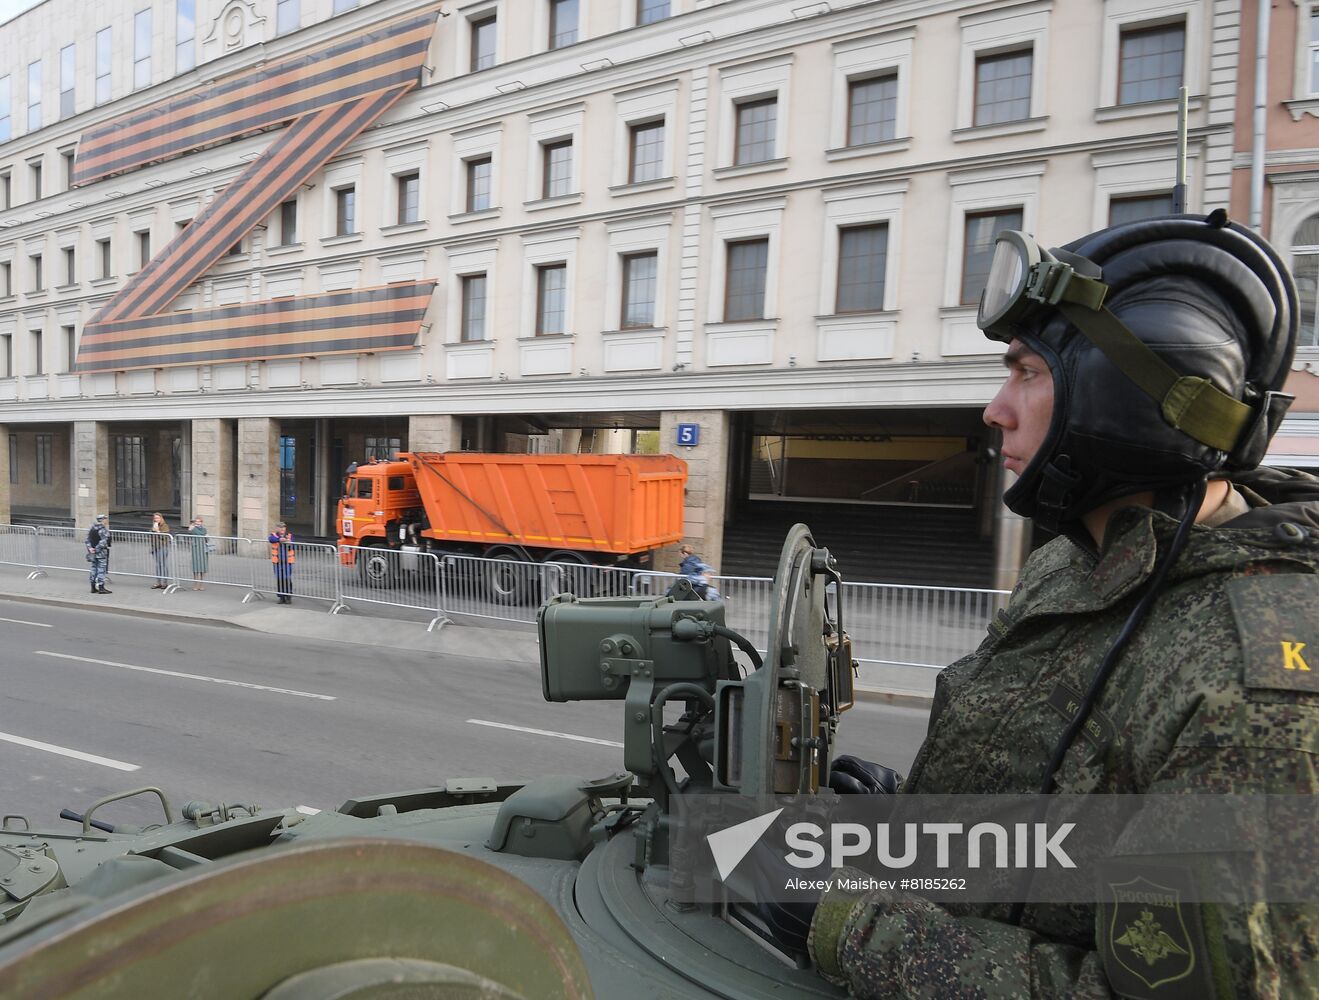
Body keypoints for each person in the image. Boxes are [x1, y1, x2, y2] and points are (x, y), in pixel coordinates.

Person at [780, 214, 1318, 997]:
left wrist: (853, 930)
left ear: (1124, 401)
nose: (994, 410)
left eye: (1027, 373)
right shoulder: (1073, 564)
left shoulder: (1251, 674)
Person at [85, 513, 112, 594]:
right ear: (102, 520)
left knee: (93, 569)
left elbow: (87, 540)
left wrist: (90, 549)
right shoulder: (103, 529)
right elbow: (103, 541)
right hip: (101, 553)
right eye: (105, 519)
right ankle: (101, 587)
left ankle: (93, 587)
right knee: (101, 570)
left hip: (93, 553)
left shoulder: (92, 528)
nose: (106, 520)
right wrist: (96, 549)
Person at [269, 521, 295, 604]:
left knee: (287, 578)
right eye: (280, 528)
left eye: (283, 528)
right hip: (277, 562)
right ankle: (281, 597)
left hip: (287, 562)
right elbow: (271, 539)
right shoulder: (274, 535)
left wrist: (289, 541)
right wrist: (279, 539)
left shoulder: (289, 535)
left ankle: (288, 596)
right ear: (277, 528)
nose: (282, 529)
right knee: (279, 579)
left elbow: (294, 543)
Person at [148, 512, 171, 589]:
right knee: (158, 565)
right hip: (155, 547)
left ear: (161, 518)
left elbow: (165, 537)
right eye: (155, 518)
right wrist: (152, 531)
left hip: (163, 547)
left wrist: (158, 531)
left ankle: (165, 582)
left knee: (163, 564)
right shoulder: (154, 525)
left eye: (157, 518)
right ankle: (158, 582)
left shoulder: (164, 526)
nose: (156, 519)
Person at [187, 515, 209, 590]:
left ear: (201, 522)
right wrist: (192, 528)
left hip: (203, 549)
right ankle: (195, 583)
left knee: (203, 566)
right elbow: (192, 532)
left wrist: (193, 529)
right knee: (196, 566)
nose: (197, 523)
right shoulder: (193, 529)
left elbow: (202, 534)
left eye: (199, 521)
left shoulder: (204, 529)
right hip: (195, 548)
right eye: (196, 521)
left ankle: (201, 584)